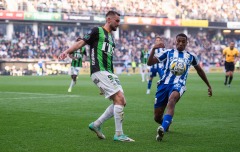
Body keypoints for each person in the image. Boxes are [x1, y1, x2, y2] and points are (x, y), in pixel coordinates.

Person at [59, 11, 134, 142]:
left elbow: (107, 58)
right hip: (99, 70)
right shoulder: (97, 31)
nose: (118, 23)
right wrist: (67, 51)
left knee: (122, 102)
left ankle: (96, 124)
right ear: (108, 19)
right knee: (120, 99)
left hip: (109, 72)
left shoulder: (111, 38)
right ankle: (119, 134)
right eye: (116, 21)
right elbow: (81, 43)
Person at [147, 33, 212, 142]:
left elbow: (199, 70)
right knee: (157, 117)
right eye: (179, 41)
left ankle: (162, 129)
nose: (181, 43)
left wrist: (209, 86)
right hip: (163, 85)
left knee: (172, 100)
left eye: (183, 41)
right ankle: (166, 123)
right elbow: (149, 63)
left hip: (179, 84)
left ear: (187, 43)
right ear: (175, 42)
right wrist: (153, 48)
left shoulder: (191, 56)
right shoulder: (168, 53)